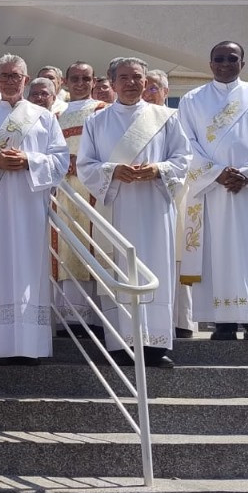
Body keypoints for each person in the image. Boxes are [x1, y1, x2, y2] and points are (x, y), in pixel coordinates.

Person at [78, 57, 190, 369]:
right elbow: (85, 165)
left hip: (155, 208)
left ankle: (155, 344)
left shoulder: (167, 117)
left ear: (146, 82)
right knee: (118, 270)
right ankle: (119, 343)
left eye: (137, 77)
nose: (131, 83)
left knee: (155, 268)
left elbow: (183, 158)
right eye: (124, 77)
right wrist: (113, 171)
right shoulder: (95, 122)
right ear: (111, 83)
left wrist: (158, 169)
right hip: (116, 207)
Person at [0, 54, 68, 365]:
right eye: (4, 75)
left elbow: (60, 161)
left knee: (29, 271)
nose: (10, 80)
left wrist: (29, 161)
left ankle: (30, 345)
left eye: (15, 75)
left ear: (26, 78)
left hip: (31, 207)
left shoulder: (44, 117)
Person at [178, 40, 248, 342]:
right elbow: (186, 143)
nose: (225, 63)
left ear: (243, 62)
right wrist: (216, 173)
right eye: (219, 58)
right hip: (213, 192)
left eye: (232, 58)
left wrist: (247, 175)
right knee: (217, 254)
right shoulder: (191, 100)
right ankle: (222, 322)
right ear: (210, 63)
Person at [53, 61, 107, 334]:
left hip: (93, 189)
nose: (80, 84)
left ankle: (97, 316)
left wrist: (82, 162)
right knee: (65, 246)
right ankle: (70, 315)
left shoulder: (102, 111)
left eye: (86, 79)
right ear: (65, 81)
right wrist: (63, 163)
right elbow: (49, 149)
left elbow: (108, 148)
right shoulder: (56, 114)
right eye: (74, 78)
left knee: (93, 245)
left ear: (94, 81)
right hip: (63, 188)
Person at [144, 67, 195, 338]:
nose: (148, 93)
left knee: (177, 257)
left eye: (154, 88)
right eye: (145, 87)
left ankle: (181, 320)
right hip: (142, 197)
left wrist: (161, 171)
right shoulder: (135, 120)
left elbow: (186, 158)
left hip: (175, 194)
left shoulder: (176, 118)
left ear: (166, 92)